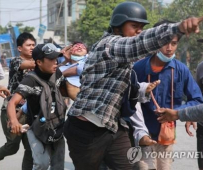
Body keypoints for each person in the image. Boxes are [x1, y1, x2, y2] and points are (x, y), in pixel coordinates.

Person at [63, 1, 203, 169]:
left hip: (113, 127)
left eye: (141, 27)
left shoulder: (134, 62)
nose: (138, 31)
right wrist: (177, 28)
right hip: (86, 129)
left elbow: (127, 91)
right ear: (117, 27)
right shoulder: (110, 45)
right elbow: (139, 44)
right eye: (134, 26)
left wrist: (143, 89)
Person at [132, 19, 203, 170]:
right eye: (165, 43)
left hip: (167, 136)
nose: (169, 48)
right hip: (143, 135)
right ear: (154, 42)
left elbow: (197, 99)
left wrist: (180, 113)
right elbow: (128, 100)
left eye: (174, 43)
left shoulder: (181, 70)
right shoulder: (138, 68)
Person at [8, 43, 65, 170]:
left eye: (56, 58)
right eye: (51, 59)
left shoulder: (58, 74)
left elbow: (65, 92)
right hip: (36, 128)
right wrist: (14, 121)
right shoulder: (30, 80)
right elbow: (12, 102)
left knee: (58, 166)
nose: (55, 62)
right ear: (39, 62)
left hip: (57, 126)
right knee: (41, 164)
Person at [0, 32, 36, 170]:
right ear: (20, 48)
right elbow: (28, 64)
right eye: (29, 45)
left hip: (30, 110)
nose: (32, 47)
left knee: (30, 148)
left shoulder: (39, 64)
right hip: (12, 109)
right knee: (13, 146)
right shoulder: (16, 61)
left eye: (34, 45)